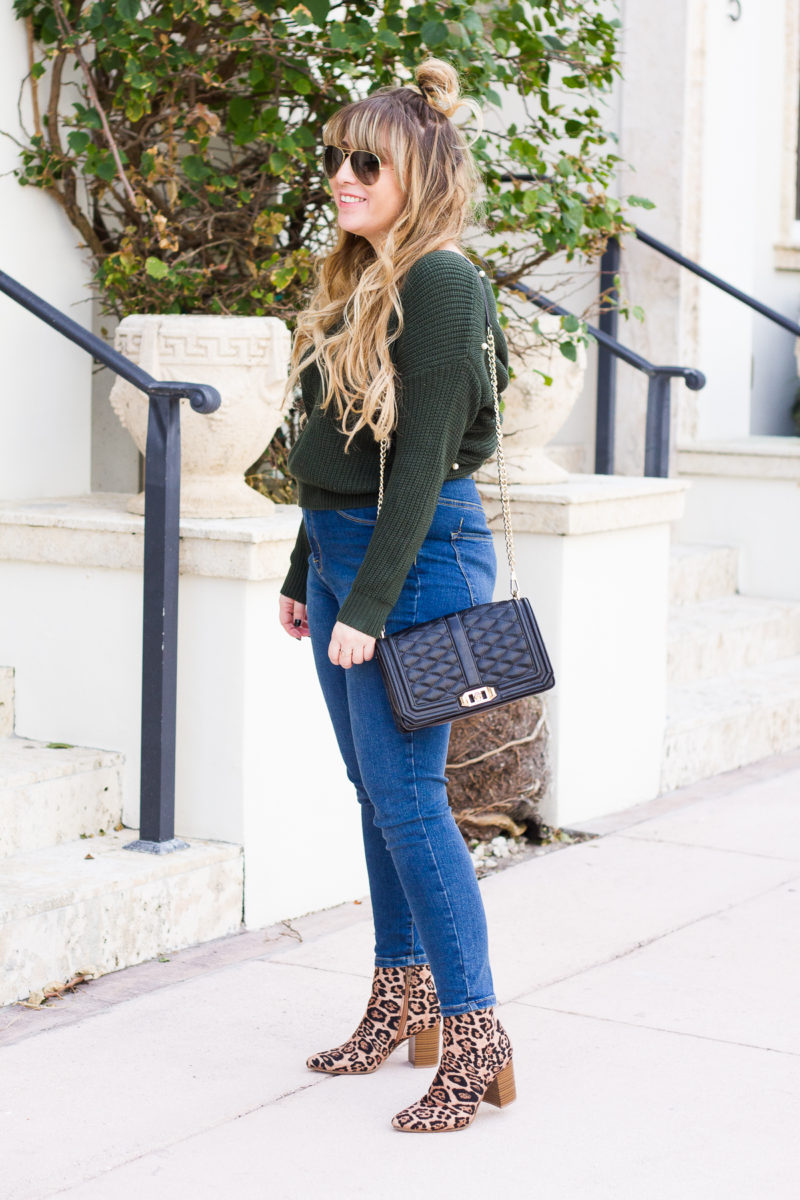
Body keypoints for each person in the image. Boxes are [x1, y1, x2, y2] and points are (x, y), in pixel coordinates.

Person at [278, 57, 515, 1134]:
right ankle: (400, 994)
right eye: (337, 157)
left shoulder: (442, 281)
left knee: (412, 802)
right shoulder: (356, 279)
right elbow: (336, 453)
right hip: (346, 554)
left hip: (411, 562)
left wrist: (367, 609)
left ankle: (474, 1033)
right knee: (377, 795)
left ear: (416, 171)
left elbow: (418, 467)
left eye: (364, 160)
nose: (341, 174)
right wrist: (305, 574)